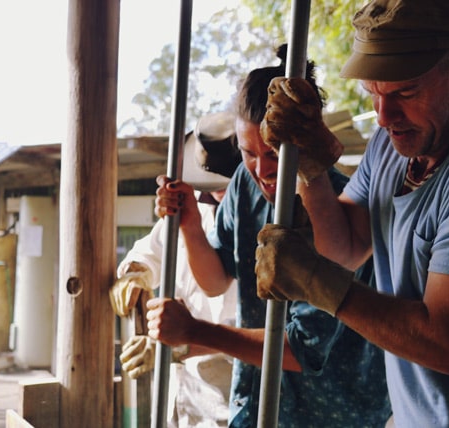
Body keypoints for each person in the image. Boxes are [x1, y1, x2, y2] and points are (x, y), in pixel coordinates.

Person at [255, 1, 449, 427]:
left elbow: (446, 344)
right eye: (373, 92)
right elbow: (346, 249)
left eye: (405, 93)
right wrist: (313, 169)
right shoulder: (393, 144)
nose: (384, 115)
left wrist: (316, 282)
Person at [147, 44, 392, 428]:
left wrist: (193, 332)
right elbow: (214, 281)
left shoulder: (340, 214)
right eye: (249, 152)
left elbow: (300, 351)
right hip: (259, 401)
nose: (262, 169)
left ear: (304, 142)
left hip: (333, 413)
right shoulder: (246, 184)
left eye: (276, 153)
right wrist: (191, 226)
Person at [109, 111, 241, 427]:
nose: (219, 190)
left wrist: (174, 347)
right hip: (181, 394)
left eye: (227, 182)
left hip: (230, 394)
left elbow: (253, 327)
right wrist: (135, 274)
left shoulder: (262, 218)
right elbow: (150, 251)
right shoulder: (191, 205)